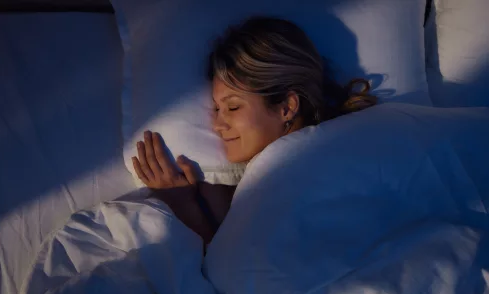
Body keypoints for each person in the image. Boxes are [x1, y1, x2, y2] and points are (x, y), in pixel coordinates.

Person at [131, 16, 377, 248]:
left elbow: (247, 274)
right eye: (216, 108)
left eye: (233, 106)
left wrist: (184, 207)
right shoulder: (242, 190)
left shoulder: (341, 154)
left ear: (286, 107)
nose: (217, 125)